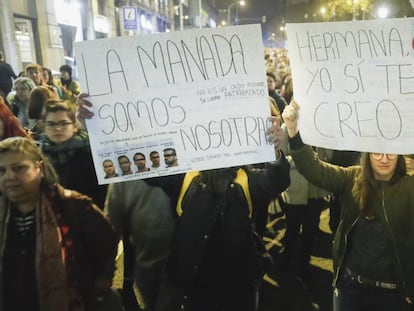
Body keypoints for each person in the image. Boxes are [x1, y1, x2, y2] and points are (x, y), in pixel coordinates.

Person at [282, 102, 414, 311]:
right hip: (350, 288)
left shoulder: (409, 185)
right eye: (377, 153)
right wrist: (293, 132)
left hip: (395, 294)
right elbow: (314, 169)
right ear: (367, 155)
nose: (384, 159)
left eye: (391, 153)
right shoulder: (352, 178)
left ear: (400, 155)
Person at [0, 136, 119, 310]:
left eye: (19, 168)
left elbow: (106, 245)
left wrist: (100, 283)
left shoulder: (72, 205)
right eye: (1, 171)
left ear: (39, 168)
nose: (10, 177)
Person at [105, 179, 174, 311]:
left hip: (191, 263)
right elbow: (111, 230)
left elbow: (111, 229)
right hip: (150, 265)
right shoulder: (124, 179)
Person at [38, 99, 107, 209]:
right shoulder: (38, 155)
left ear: (74, 127)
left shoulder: (90, 153)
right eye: (51, 124)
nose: (58, 128)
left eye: (64, 123)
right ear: (44, 127)